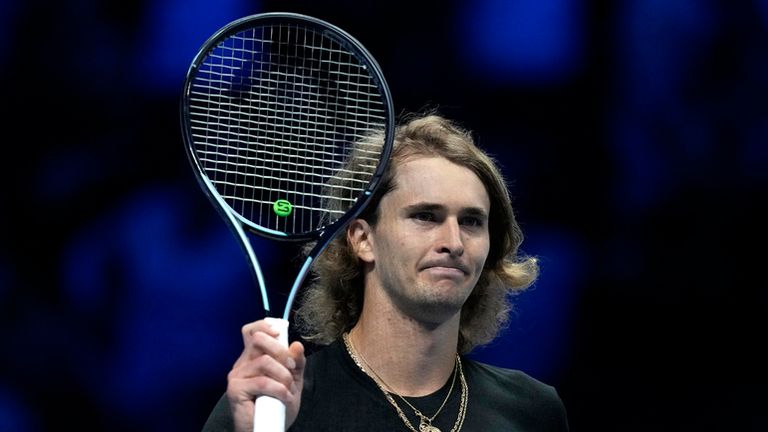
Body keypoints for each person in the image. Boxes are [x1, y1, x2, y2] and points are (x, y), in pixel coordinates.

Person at [202, 111, 569, 431]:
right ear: (363, 239)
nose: (454, 242)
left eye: (472, 221)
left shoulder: (531, 411)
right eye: (426, 216)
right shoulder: (272, 406)